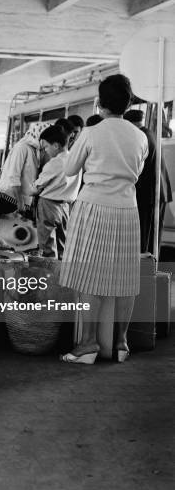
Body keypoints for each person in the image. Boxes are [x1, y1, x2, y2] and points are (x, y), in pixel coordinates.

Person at [59, 74, 148, 365]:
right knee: (125, 277)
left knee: (87, 276)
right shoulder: (139, 136)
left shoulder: (92, 131)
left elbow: (70, 169)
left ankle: (87, 345)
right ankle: (121, 342)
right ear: (128, 102)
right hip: (127, 209)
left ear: (100, 103)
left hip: (94, 207)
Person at [24, 125, 80, 259]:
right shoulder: (75, 159)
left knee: (47, 246)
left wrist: (27, 188)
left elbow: (35, 188)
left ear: (55, 145)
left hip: (49, 206)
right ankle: (62, 276)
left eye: (46, 147)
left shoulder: (54, 163)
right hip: (66, 207)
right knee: (62, 245)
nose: (45, 151)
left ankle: (49, 277)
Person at [123, 109, 172, 253]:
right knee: (151, 238)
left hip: (149, 195)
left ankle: (145, 273)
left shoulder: (141, 137)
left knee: (145, 239)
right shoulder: (149, 133)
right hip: (156, 192)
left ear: (129, 124)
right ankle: (148, 271)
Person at [0, 121, 53, 217]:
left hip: (24, 201)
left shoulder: (36, 150)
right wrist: (20, 202)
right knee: (7, 229)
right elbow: (13, 176)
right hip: (10, 198)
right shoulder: (22, 147)